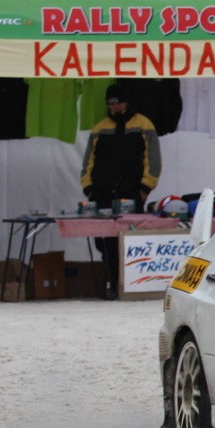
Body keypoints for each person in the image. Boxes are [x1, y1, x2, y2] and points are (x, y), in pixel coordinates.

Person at [81, 82, 161, 300]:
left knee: (129, 241)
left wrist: (144, 189)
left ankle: (128, 286)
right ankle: (112, 284)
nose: (114, 107)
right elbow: (88, 162)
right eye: (110, 104)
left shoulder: (144, 125)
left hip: (131, 195)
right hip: (103, 196)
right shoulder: (99, 129)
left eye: (117, 103)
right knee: (104, 243)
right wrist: (89, 190)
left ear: (126, 102)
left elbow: (153, 161)